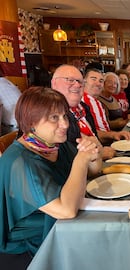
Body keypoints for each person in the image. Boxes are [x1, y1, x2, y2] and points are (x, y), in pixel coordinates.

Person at [0, 87, 102, 269]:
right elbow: (66, 211)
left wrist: (94, 151)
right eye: (54, 118)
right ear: (31, 122)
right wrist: (80, 160)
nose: (65, 124)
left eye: (64, 116)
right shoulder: (20, 162)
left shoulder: (53, 145)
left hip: (63, 230)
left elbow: (93, 171)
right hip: (32, 249)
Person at [51, 64, 115, 160]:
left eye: (80, 81)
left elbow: (95, 137)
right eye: (70, 80)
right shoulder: (50, 113)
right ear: (54, 83)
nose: (77, 85)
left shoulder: (83, 106)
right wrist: (99, 153)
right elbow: (67, 156)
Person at [82, 68, 130, 144]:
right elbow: (91, 134)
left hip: (109, 140)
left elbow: (99, 130)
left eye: (100, 81)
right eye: (93, 79)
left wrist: (115, 135)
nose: (98, 83)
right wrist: (114, 135)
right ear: (84, 81)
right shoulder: (82, 102)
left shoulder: (96, 101)